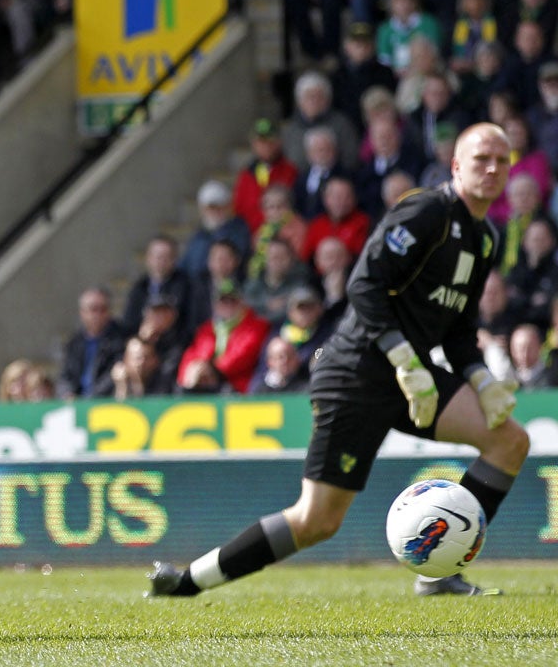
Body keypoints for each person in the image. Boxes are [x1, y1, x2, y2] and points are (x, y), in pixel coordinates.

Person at [148, 122, 529, 600]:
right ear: (455, 165)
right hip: (356, 373)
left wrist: (481, 379)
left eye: (501, 160)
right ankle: (186, 582)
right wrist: (405, 361)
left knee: (509, 442)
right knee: (316, 521)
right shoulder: (426, 210)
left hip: (412, 380)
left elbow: (457, 331)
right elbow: (363, 286)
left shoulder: (486, 238)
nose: (492, 168)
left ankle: (438, 574)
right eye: (480, 159)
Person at [56, 286, 126, 399]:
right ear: (82, 313)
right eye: (93, 309)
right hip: (76, 403)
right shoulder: (74, 343)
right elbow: (65, 376)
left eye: (103, 309)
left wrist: (89, 399)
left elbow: (112, 376)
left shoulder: (121, 339)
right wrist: (67, 393)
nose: (98, 315)